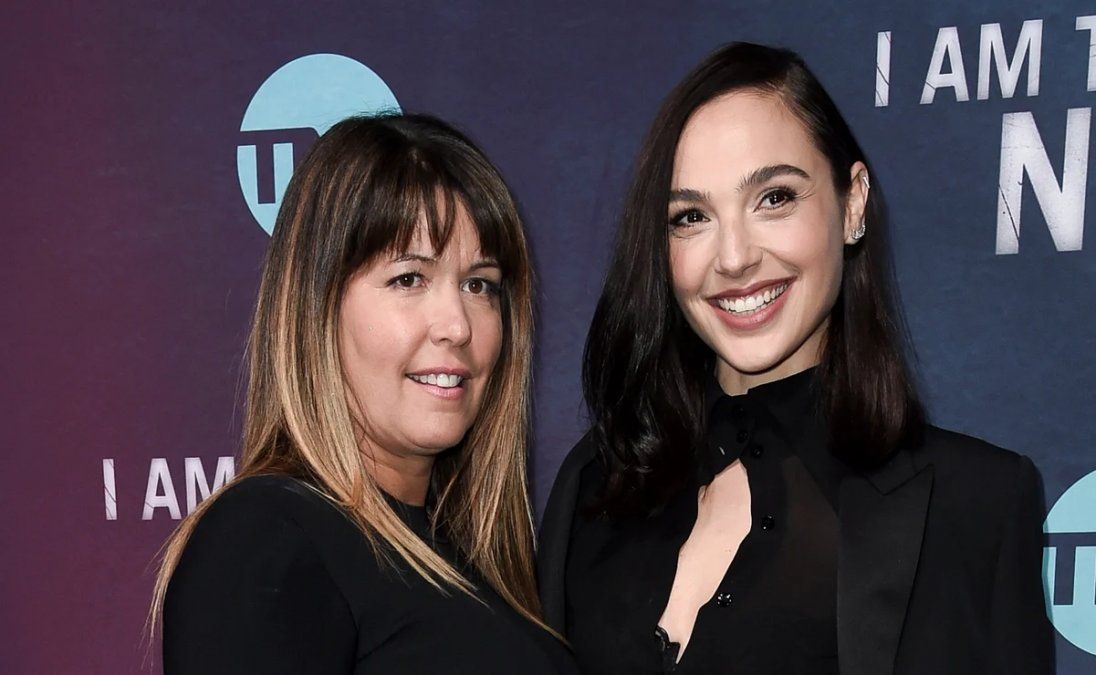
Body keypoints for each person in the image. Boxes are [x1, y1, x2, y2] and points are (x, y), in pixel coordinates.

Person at [538, 43, 1053, 674]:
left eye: (774, 198)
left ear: (852, 203)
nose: (733, 258)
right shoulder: (596, 481)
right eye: (692, 216)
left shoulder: (977, 504)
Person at [151, 113, 577, 674]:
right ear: (318, 310)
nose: (457, 324)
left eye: (480, 285)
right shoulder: (267, 540)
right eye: (408, 279)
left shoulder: (471, 559)